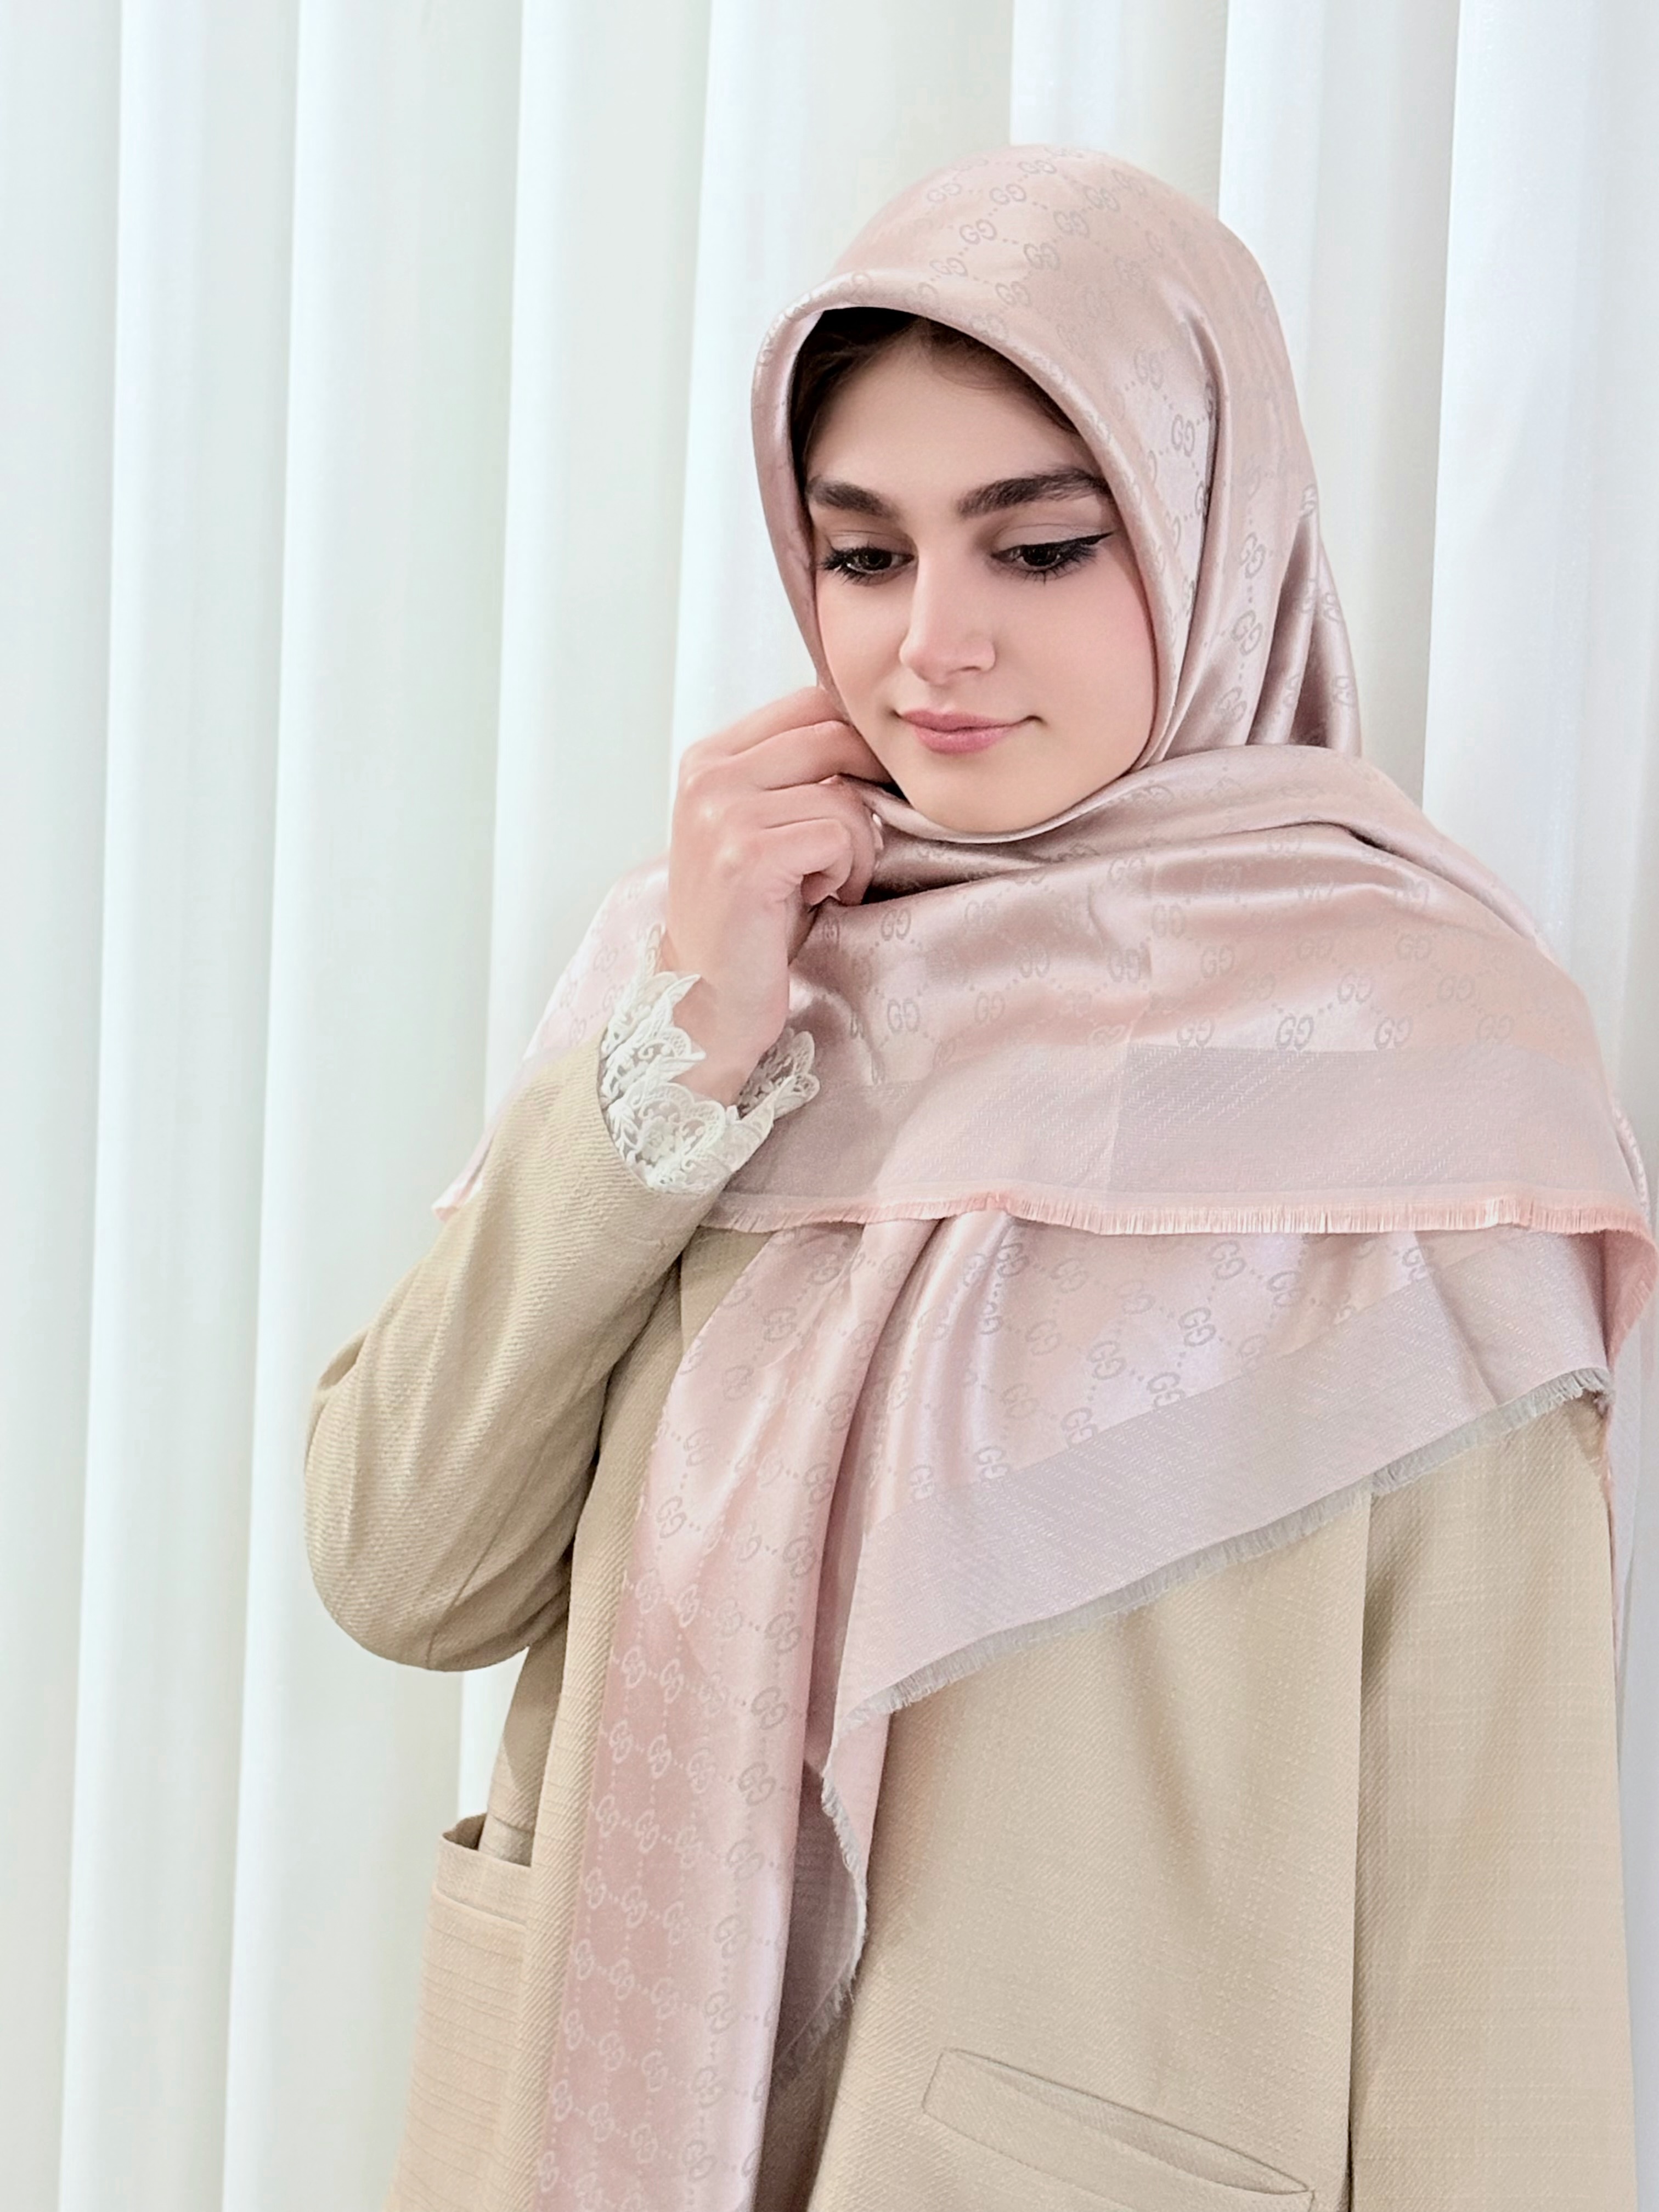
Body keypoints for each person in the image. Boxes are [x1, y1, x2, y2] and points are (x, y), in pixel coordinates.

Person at [304, 146, 1655, 2212]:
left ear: (1212, 533)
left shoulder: (1429, 1071)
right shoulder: (715, 979)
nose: (934, 645)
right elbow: (405, 1565)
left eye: (1038, 547)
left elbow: (1490, 1931)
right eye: (864, 555)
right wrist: (685, 1050)